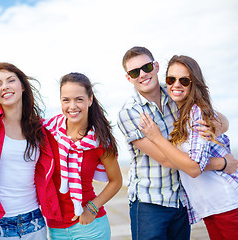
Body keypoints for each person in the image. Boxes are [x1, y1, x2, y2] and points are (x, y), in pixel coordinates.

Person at [117, 46, 237, 240]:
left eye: (146, 67)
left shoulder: (176, 91)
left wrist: (215, 127)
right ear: (128, 78)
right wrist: (222, 163)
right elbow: (165, 159)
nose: (142, 74)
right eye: (134, 72)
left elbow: (220, 119)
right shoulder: (130, 113)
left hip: (181, 200)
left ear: (156, 67)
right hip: (150, 201)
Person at [0, 62, 62, 239]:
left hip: (33, 221)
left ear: (22, 86)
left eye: (10, 80)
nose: (4, 87)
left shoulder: (39, 128)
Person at [43, 72, 123, 239]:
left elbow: (116, 181)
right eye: (66, 100)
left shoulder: (100, 140)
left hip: (90, 227)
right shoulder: (48, 132)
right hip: (56, 229)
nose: (72, 106)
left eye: (79, 99)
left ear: (90, 100)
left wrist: (92, 209)